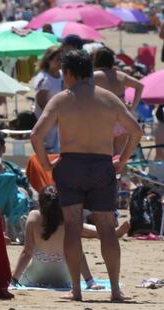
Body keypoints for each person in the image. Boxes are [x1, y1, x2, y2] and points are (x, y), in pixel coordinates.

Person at [31, 50, 142, 301]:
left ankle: (77, 291)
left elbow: (36, 135)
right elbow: (135, 131)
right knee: (107, 228)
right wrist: (121, 161)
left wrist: (46, 166)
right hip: (102, 165)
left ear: (68, 73)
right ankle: (115, 290)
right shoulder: (109, 99)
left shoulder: (61, 100)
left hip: (70, 165)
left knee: (72, 227)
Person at [12, 186, 102, 289]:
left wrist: (14, 280)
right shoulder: (70, 219)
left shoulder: (33, 217)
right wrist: (90, 282)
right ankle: (109, 232)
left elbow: (27, 252)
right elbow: (78, 254)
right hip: (63, 280)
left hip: (34, 277)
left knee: (22, 271)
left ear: (40, 202)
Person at [93, 47, 144, 155]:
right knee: (119, 155)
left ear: (96, 60)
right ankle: (120, 172)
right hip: (123, 119)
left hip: (105, 120)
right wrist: (132, 107)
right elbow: (140, 86)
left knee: (106, 156)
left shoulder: (94, 76)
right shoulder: (120, 75)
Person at [33, 46, 63, 151]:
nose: (60, 62)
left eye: (62, 59)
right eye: (57, 59)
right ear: (49, 60)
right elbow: (41, 101)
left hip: (58, 118)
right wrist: (53, 117)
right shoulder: (43, 78)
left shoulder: (61, 75)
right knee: (48, 147)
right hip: (47, 118)